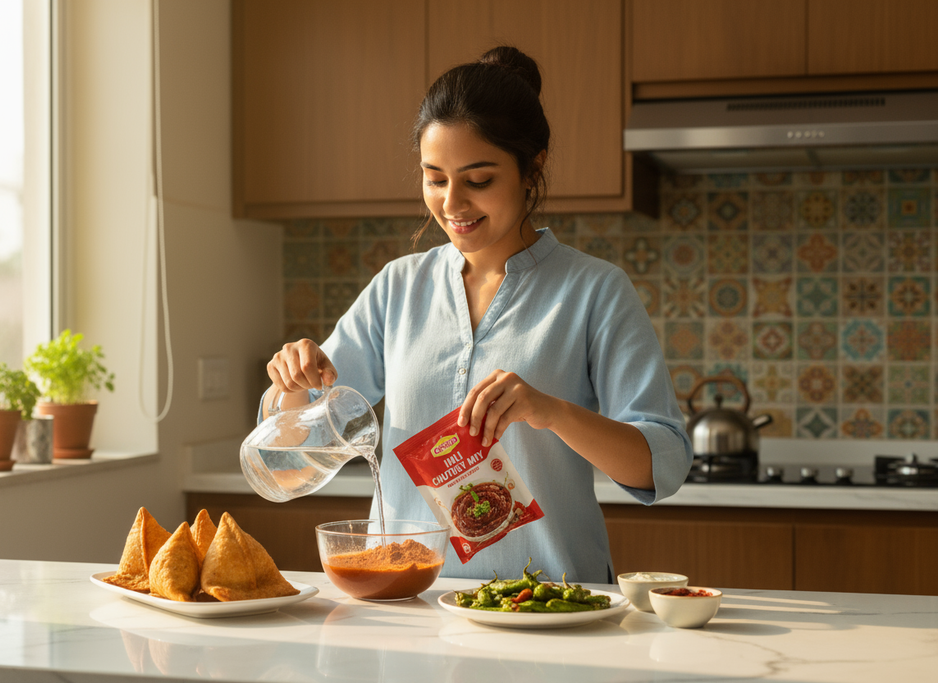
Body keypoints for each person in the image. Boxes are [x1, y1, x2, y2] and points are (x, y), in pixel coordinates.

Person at [263, 46, 692, 583]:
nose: (452, 203)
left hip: (554, 608)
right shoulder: (398, 287)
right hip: (408, 606)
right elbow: (293, 462)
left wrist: (553, 412)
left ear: (532, 166)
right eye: (435, 178)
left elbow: (664, 464)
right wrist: (296, 383)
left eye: (478, 179)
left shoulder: (595, 291)